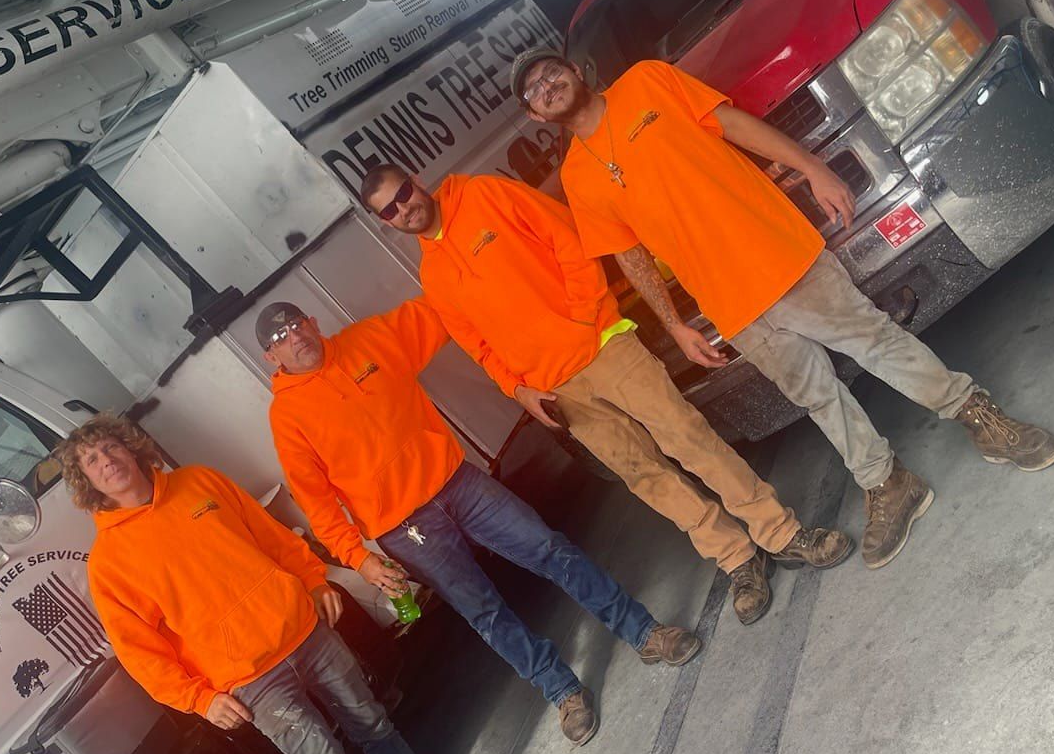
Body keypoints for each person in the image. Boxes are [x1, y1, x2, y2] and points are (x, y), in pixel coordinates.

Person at [512, 48, 1054, 568]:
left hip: (777, 253)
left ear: (575, 71)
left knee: (874, 341)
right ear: (536, 114)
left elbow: (734, 125)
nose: (547, 86)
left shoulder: (647, 80)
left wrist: (812, 168)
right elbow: (629, 256)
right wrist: (676, 325)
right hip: (731, 304)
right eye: (535, 90)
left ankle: (978, 415)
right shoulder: (577, 178)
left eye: (550, 72)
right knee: (814, 395)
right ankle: (886, 482)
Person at [59, 414, 527, 754]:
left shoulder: (199, 482)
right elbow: (139, 651)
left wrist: (312, 576)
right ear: (89, 485)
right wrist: (198, 698)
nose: (107, 462)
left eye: (109, 448)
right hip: (252, 681)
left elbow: (268, 535)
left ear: (129, 447)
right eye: (92, 463)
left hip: (305, 633)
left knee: (377, 729)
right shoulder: (109, 563)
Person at [358, 162, 850, 624]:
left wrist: (583, 317)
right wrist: (519, 390)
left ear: (417, 182)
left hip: (605, 347)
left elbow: (569, 239)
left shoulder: (486, 193)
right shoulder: (433, 274)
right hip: (559, 391)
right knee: (645, 475)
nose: (404, 209)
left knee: (689, 439)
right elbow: (478, 345)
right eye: (390, 210)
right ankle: (735, 557)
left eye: (403, 194)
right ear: (386, 222)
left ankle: (781, 532)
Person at [260, 297, 702, 747]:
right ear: (271, 357)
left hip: (458, 483)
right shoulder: (287, 418)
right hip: (405, 531)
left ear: (313, 323)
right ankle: (562, 691)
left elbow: (446, 306)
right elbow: (317, 503)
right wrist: (359, 560)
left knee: (549, 549)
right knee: (485, 612)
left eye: (296, 324)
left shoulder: (372, 338)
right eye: (280, 338)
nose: (294, 337)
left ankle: (643, 630)